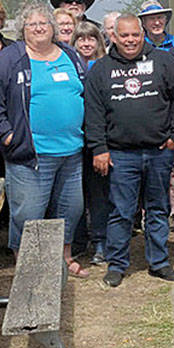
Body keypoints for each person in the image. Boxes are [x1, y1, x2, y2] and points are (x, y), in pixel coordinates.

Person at [0, 3, 88, 276]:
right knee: (28, 214)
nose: (39, 28)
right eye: (32, 24)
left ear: (53, 27)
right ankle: (27, 266)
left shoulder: (71, 56)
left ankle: (64, 259)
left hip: (72, 152)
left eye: (44, 23)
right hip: (31, 154)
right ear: (22, 30)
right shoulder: (9, 59)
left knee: (70, 209)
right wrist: (7, 135)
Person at [84, 14, 174, 286]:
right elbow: (93, 114)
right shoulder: (100, 69)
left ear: (141, 34)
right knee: (121, 211)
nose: (130, 40)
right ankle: (117, 265)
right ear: (114, 37)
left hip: (158, 151)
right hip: (120, 153)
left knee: (157, 209)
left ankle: (159, 263)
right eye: (124, 36)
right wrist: (99, 149)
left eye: (134, 35)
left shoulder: (164, 61)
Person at [70, 21, 109, 264]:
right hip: (73, 139)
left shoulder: (105, 66)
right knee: (74, 195)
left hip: (100, 139)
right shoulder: (67, 65)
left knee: (99, 194)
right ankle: (77, 241)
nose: (86, 44)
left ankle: (101, 242)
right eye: (81, 39)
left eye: (91, 39)